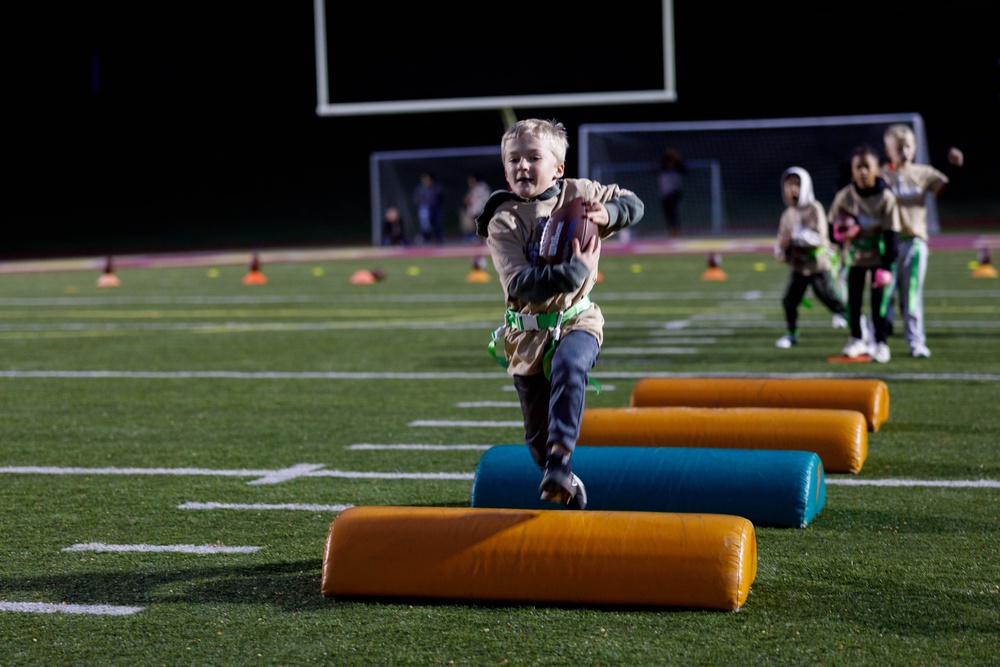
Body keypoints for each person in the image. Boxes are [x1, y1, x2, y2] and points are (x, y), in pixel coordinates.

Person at [476, 118, 643, 510]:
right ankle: (558, 472)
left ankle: (561, 459)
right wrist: (574, 271)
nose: (523, 165)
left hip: (577, 318)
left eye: (533, 157)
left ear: (558, 168)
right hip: (526, 334)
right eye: (514, 159)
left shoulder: (580, 194)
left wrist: (608, 214)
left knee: (571, 365)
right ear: (505, 171)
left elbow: (634, 204)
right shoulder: (503, 220)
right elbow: (520, 284)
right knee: (537, 441)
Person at [880, 124, 963, 358]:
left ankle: (916, 341)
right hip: (886, 244)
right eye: (898, 148)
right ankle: (879, 340)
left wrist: (955, 168)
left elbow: (948, 191)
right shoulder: (881, 175)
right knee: (883, 295)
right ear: (888, 151)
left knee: (911, 295)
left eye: (908, 146)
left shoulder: (923, 173)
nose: (904, 152)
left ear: (915, 147)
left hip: (913, 243)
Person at [828, 144, 901, 363]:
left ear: (877, 169)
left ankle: (880, 342)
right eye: (858, 167)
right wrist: (842, 234)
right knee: (853, 301)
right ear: (852, 171)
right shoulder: (844, 197)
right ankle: (856, 339)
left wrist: (887, 266)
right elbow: (832, 229)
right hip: (855, 257)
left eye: (867, 167)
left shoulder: (885, 197)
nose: (862, 172)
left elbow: (892, 234)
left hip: (878, 255)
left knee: (879, 302)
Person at [773, 167, 847, 348]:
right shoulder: (787, 214)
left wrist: (794, 238)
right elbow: (781, 239)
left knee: (829, 298)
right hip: (798, 266)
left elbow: (818, 237)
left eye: (796, 184)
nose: (792, 189)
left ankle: (857, 323)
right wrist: (781, 251)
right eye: (789, 185)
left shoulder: (814, 208)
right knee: (789, 300)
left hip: (817, 264)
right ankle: (791, 334)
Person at [657, 148, 686, 237]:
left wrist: (677, 160)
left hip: (674, 194)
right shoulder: (662, 169)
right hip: (665, 194)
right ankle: (670, 230)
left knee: (674, 212)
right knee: (667, 213)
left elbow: (684, 169)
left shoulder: (678, 168)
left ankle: (676, 230)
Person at [413, 170, 444, 245]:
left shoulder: (436, 187)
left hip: (435, 207)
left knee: (436, 223)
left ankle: (438, 238)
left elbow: (440, 197)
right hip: (424, 207)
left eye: (426, 177)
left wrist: (436, 202)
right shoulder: (420, 188)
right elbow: (416, 197)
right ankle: (426, 238)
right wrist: (422, 202)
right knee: (425, 224)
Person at [459, 173, 490, 243]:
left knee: (481, 224)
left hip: (481, 210)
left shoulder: (482, 187)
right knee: (468, 220)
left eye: (471, 180)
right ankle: (470, 236)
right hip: (474, 211)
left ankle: (481, 237)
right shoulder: (472, 189)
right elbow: (468, 199)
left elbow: (483, 200)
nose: (469, 182)